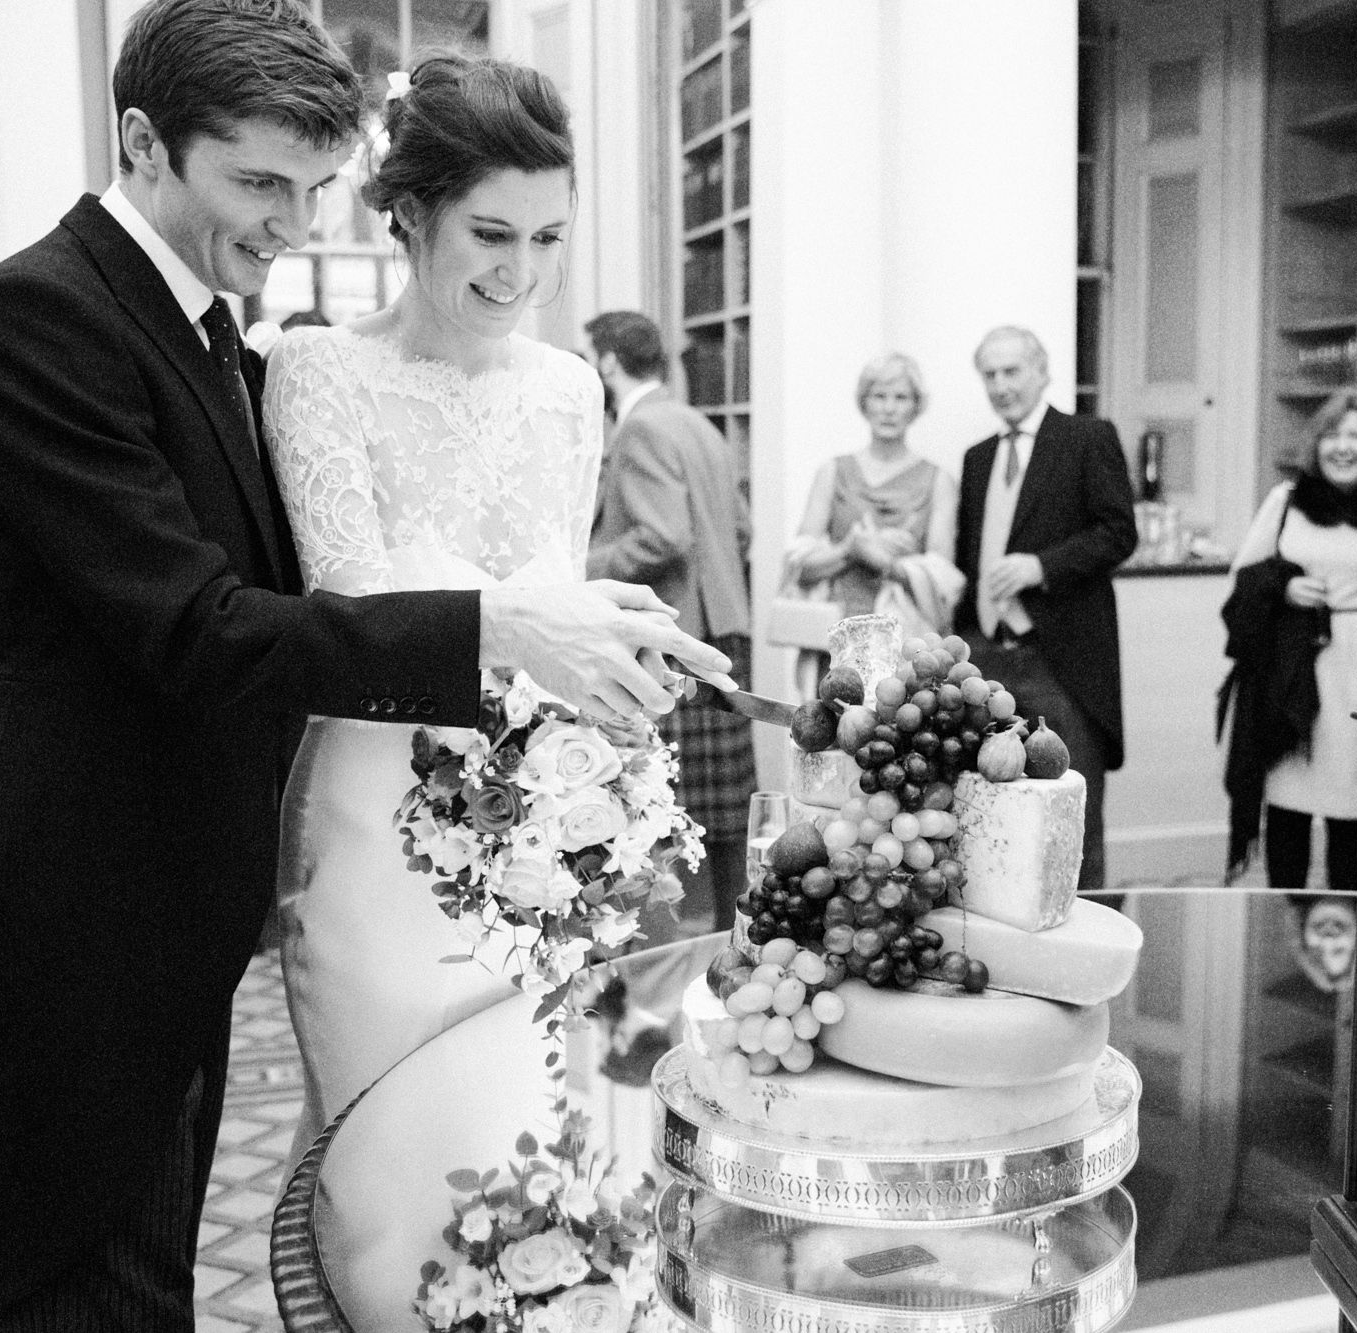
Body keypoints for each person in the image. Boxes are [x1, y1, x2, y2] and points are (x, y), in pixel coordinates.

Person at [0, 5, 731, 1326]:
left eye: (309, 186)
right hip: (81, 905)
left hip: (184, 895)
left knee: (157, 1271)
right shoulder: (38, 319)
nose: (291, 222)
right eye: (256, 182)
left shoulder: (205, 329)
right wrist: (507, 630)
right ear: (144, 143)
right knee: (97, 1285)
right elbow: (198, 624)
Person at [266, 55, 640, 1167]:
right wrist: (529, 625)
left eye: (547, 237)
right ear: (411, 213)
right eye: (490, 233)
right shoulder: (319, 370)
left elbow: (559, 608)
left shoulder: (574, 390)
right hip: (377, 830)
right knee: (387, 1147)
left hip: (545, 827)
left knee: (524, 1136)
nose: (521, 272)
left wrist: (617, 679)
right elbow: (345, 607)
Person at [585, 310, 756, 932]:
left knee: (671, 808)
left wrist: (581, 567)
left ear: (607, 361)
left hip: (675, 635)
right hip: (722, 625)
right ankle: (730, 938)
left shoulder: (640, 430)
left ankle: (676, 954)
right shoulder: (698, 423)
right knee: (725, 811)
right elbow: (740, 529)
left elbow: (663, 536)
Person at [952, 326, 1137, 894]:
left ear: (1042, 372)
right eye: (990, 374)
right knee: (991, 812)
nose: (1001, 385)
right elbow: (968, 553)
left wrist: (1041, 567)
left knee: (1070, 812)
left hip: (1063, 659)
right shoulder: (978, 457)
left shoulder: (1086, 437)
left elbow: (1119, 532)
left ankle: (1087, 937)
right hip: (989, 660)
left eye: (1013, 371)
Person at [1229, 389, 1357, 897]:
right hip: (1291, 670)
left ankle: (1350, 922)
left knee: (1354, 804)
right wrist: (1285, 587)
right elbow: (1245, 574)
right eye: (1333, 435)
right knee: (1289, 800)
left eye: (1355, 436)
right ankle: (1284, 911)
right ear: (1317, 445)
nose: (1343, 447)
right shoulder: (1285, 502)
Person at [787, 353, 961, 643]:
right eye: (879, 396)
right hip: (837, 636)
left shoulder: (938, 479)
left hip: (906, 640)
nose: (889, 409)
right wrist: (849, 549)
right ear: (864, 403)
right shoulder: (833, 471)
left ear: (916, 406)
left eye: (901, 397)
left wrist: (885, 562)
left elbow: (944, 582)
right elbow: (799, 568)